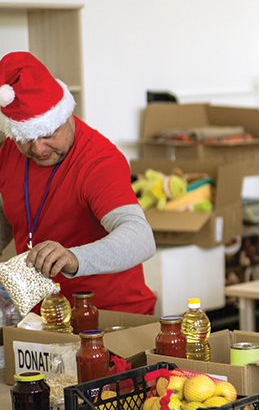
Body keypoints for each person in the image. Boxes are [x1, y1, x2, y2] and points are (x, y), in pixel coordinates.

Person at [0, 51, 157, 315]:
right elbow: (8, 211)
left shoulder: (99, 161)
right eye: (25, 137)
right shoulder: (9, 151)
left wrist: (74, 258)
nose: (38, 148)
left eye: (48, 134)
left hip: (109, 314)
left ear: (64, 115)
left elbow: (140, 238)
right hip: (43, 316)